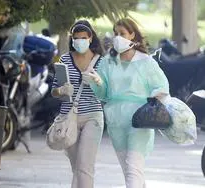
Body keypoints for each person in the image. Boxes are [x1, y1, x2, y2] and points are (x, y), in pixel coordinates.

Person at [84, 18, 170, 188]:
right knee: (130, 170)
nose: (118, 37)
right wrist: (97, 82)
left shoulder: (146, 61)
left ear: (132, 35)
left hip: (140, 119)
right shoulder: (108, 62)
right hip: (116, 121)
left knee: (133, 169)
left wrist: (155, 99)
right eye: (115, 33)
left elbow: (162, 87)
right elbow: (104, 94)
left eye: (122, 33)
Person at [51, 20, 104, 188]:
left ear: (90, 38)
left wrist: (98, 82)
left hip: (92, 117)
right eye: (76, 38)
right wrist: (62, 91)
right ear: (72, 39)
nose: (79, 41)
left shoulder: (101, 61)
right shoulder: (65, 59)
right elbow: (54, 90)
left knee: (85, 167)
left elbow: (108, 93)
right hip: (68, 119)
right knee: (76, 168)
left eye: (83, 37)